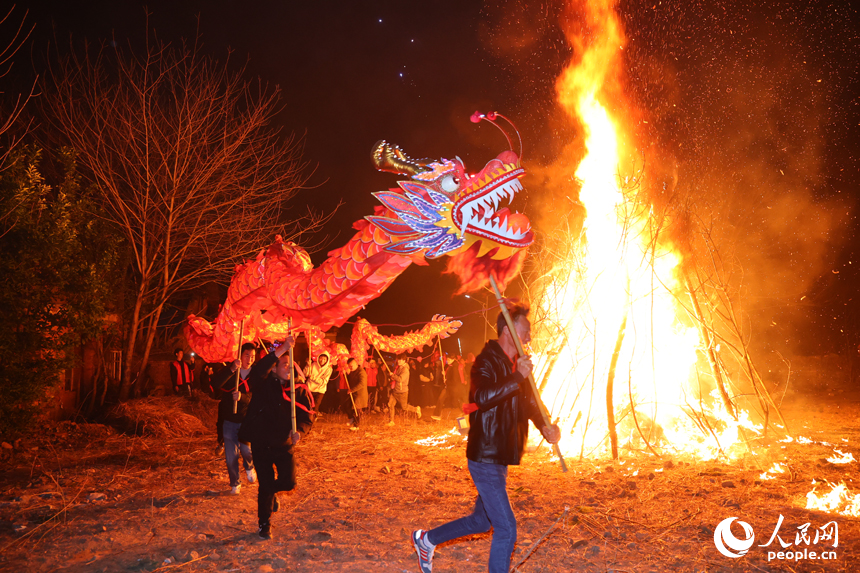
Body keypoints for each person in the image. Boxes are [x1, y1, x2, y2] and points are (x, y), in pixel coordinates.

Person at [411, 303, 561, 573]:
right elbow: (482, 397)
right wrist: (517, 377)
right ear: (507, 330)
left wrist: (546, 426)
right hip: (485, 456)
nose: (529, 336)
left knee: (482, 522)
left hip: (500, 457)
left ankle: (426, 539)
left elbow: (530, 403)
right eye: (525, 330)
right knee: (506, 529)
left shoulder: (518, 366)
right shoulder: (486, 360)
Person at [238, 336, 314, 540]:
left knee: (289, 483)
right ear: (273, 368)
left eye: (291, 365)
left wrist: (301, 431)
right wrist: (281, 349)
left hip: (284, 445)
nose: (289, 368)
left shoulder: (298, 389)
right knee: (265, 483)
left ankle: (270, 494)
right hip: (261, 443)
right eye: (284, 364)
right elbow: (257, 371)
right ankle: (264, 523)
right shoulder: (263, 384)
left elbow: (308, 416)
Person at [211, 342, 257, 494]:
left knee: (246, 450)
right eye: (246, 355)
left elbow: (258, 396)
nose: (249, 359)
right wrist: (231, 369)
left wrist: (243, 397)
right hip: (229, 419)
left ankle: (249, 466)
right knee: (231, 456)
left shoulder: (256, 374)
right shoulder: (230, 370)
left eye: (252, 356)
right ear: (240, 355)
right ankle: (235, 483)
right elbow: (216, 384)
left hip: (246, 420)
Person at [387, 356, 421, 426]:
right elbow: (396, 378)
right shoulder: (398, 367)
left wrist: (393, 375)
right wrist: (392, 378)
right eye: (398, 359)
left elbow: (400, 379)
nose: (398, 361)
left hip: (402, 391)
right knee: (390, 405)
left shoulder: (405, 370)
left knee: (404, 407)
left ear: (404, 361)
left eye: (400, 360)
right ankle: (391, 421)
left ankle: (416, 409)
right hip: (395, 390)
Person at [345, 357, 367, 430]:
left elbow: (362, 383)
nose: (350, 367)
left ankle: (356, 425)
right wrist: (345, 374)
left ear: (356, 364)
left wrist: (352, 390)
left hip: (359, 394)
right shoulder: (352, 371)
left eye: (352, 365)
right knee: (347, 405)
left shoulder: (361, 372)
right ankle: (352, 418)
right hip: (353, 393)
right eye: (349, 366)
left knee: (357, 410)